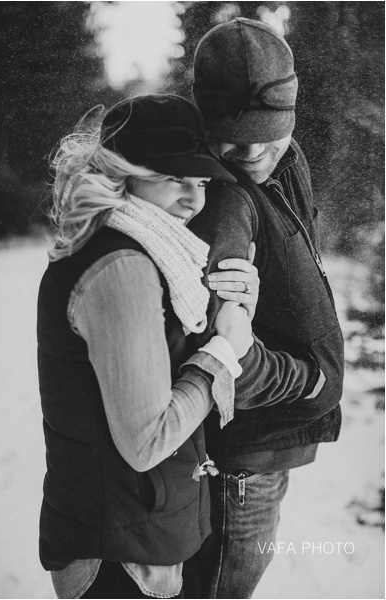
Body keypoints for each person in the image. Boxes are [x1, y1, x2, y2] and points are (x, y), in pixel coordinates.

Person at [37, 94, 261, 599]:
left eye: (201, 181)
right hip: (121, 561)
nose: (194, 200)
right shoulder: (122, 268)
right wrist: (221, 353)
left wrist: (239, 303)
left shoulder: (146, 252)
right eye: (174, 178)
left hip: (144, 536)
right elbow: (147, 441)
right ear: (126, 174)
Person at [187, 18, 345, 598]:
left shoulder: (286, 161)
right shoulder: (224, 197)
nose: (252, 149)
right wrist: (308, 382)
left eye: (267, 131)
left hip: (268, 454)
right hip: (243, 466)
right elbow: (216, 349)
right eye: (234, 133)